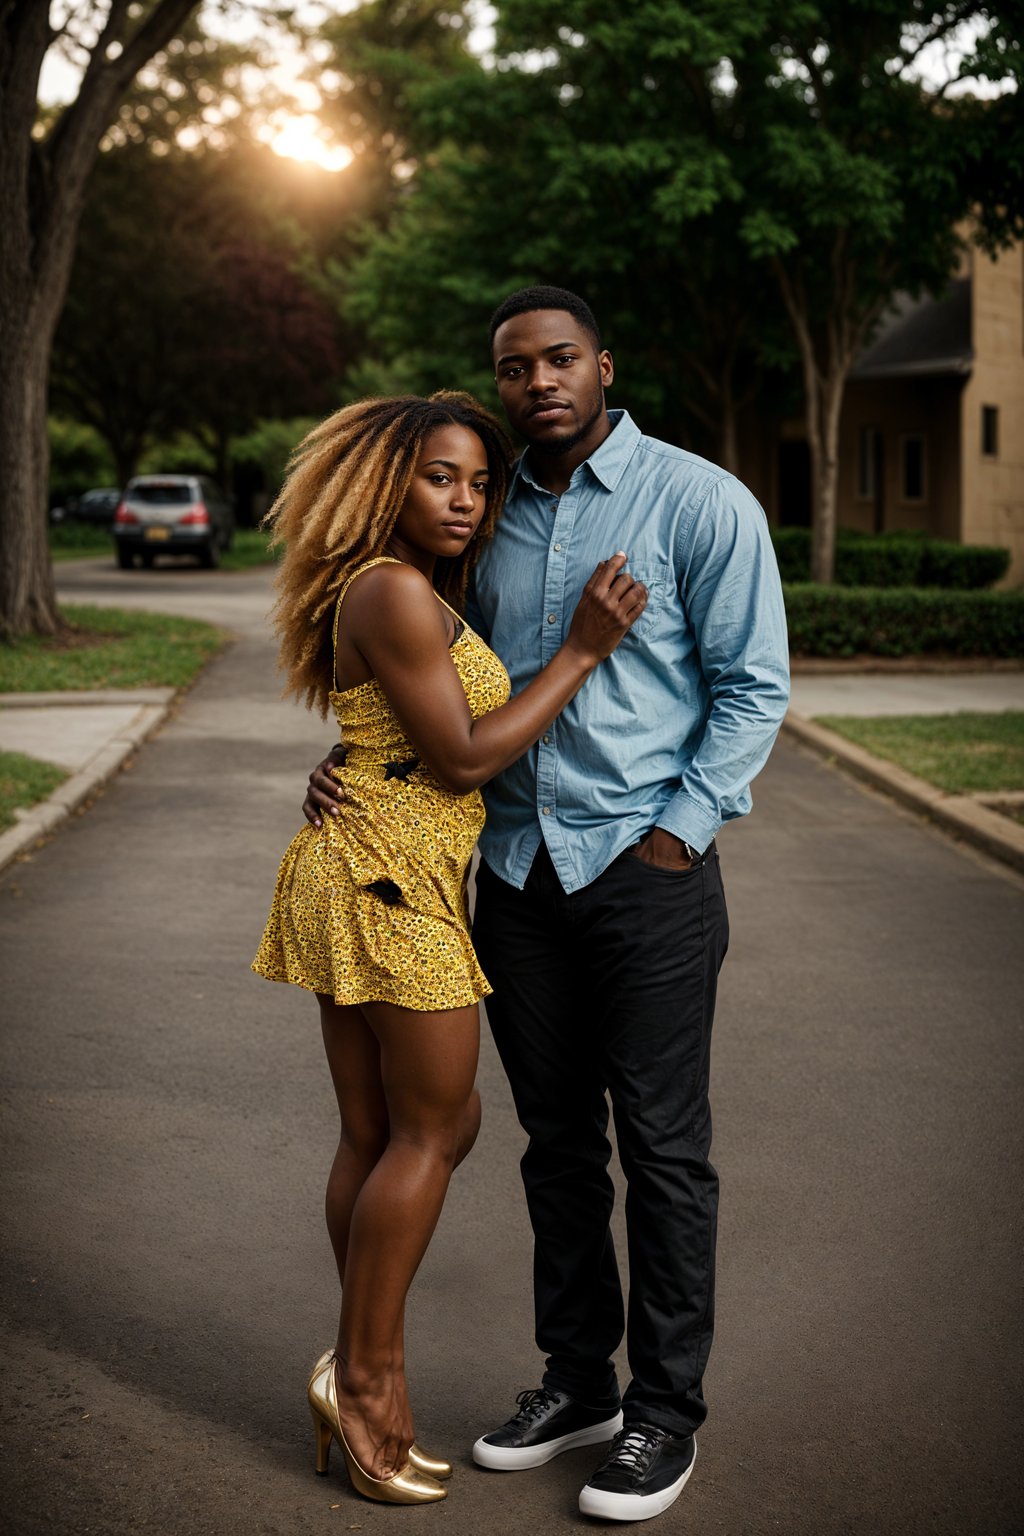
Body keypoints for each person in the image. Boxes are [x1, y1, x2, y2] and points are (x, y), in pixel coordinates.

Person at [303, 288, 790, 1523]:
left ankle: (661, 1417)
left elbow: (752, 688)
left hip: (646, 873)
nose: (537, 382)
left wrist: (679, 840)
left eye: (559, 358)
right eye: (513, 366)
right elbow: (425, 688)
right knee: (554, 1146)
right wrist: (352, 770)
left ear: (601, 366)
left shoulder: (698, 500)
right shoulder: (485, 515)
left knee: (665, 1153)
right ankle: (578, 1380)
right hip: (513, 881)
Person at [251, 389, 647, 1508]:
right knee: (434, 1126)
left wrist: (348, 769)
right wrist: (580, 651)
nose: (466, 498)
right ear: (389, 482)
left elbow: (394, 736)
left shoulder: (407, 589)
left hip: (374, 862)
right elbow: (467, 758)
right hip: (387, 884)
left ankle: (361, 1359)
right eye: (440, 476)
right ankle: (369, 1375)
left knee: (389, 1131)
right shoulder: (388, 588)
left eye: (479, 479)